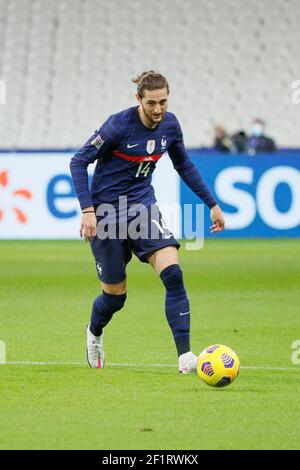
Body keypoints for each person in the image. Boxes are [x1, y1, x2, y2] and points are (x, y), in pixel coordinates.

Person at [70, 71, 225, 373]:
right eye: (152, 103)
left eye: (163, 102)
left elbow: (184, 165)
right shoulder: (118, 126)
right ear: (138, 99)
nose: (158, 110)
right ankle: (94, 331)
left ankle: (185, 357)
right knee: (115, 296)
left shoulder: (170, 125)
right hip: (107, 214)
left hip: (142, 208)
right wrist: (87, 210)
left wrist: (213, 204)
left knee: (173, 273)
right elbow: (78, 161)